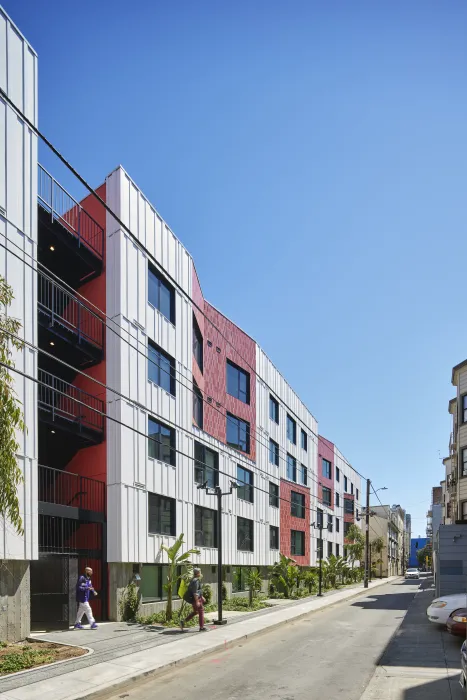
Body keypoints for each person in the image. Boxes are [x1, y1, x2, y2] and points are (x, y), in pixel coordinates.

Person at [180, 568, 208, 632]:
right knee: (201, 611)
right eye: (200, 572)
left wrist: (202, 596)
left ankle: (183, 622)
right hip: (196, 599)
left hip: (195, 598)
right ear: (198, 573)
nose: (201, 573)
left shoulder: (193, 580)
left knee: (196, 612)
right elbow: (195, 592)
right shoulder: (195, 581)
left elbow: (198, 590)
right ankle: (201, 627)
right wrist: (197, 601)